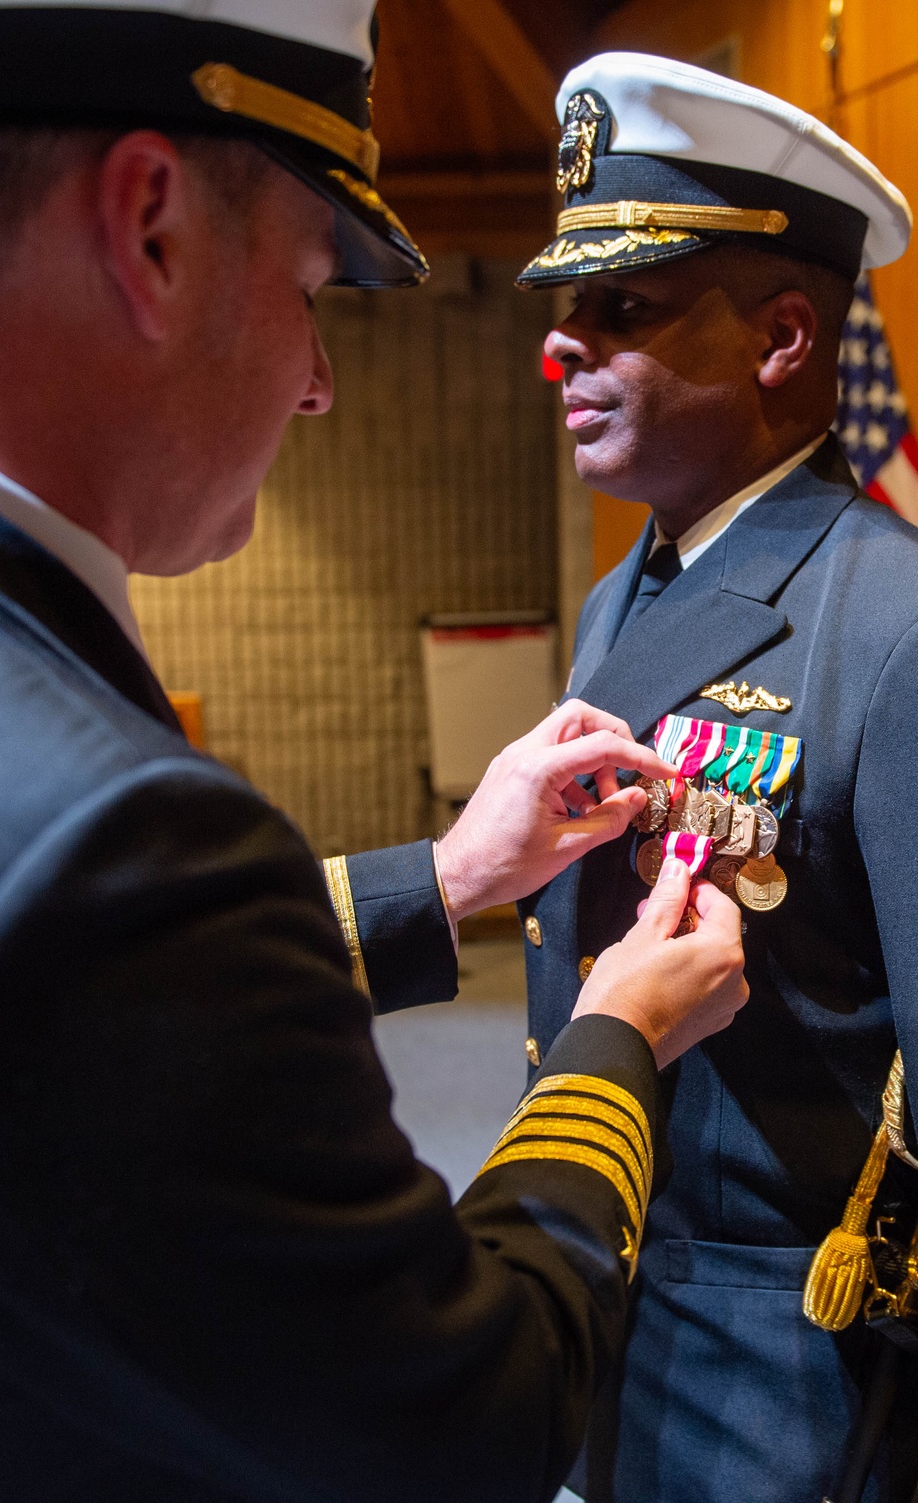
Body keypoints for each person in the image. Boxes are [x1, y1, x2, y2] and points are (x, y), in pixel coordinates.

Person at [0, 8, 749, 1502]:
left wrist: (439, 878)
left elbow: (59, 1021)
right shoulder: (115, 839)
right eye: (315, 286)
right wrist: (612, 1041)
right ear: (153, 228)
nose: (315, 380)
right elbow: (465, 1422)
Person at [505, 50, 916, 1503]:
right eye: (569, 311)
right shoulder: (635, 583)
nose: (565, 346)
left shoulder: (891, 619)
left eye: (622, 310)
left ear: (785, 338)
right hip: (628, 1316)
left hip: (793, 1374)